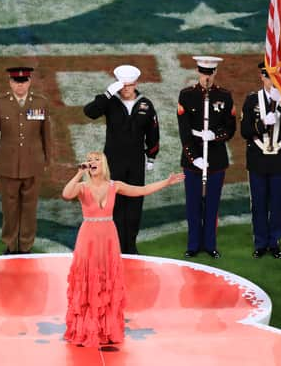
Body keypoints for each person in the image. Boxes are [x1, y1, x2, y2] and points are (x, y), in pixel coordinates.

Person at [62, 151, 184, 347]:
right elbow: (66, 194)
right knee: (89, 278)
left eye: (97, 159)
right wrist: (78, 174)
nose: (92, 162)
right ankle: (86, 329)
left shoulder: (114, 186)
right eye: (90, 160)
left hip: (109, 237)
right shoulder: (82, 187)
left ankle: (106, 328)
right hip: (88, 238)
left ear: (104, 164)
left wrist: (166, 183)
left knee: (107, 279)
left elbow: (141, 190)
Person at [83, 65, 159, 254]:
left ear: (136, 84)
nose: (126, 89)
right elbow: (90, 112)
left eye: (130, 85)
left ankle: (130, 246)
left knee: (134, 203)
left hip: (135, 161)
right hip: (112, 161)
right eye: (123, 86)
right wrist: (107, 93)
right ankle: (113, 245)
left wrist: (151, 156)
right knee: (113, 203)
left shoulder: (146, 104)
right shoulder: (109, 102)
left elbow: (153, 132)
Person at [0, 66, 52, 254]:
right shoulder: (0, 103)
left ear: (29, 82)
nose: (20, 85)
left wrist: (47, 160)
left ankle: (25, 245)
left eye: (23, 81)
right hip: (8, 164)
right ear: (10, 82)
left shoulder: (41, 102)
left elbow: (46, 134)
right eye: (16, 81)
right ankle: (10, 244)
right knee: (9, 207)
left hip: (34, 164)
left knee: (30, 207)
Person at [177, 56, 236, 259]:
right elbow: (184, 131)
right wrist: (194, 158)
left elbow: (230, 128)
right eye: (203, 72)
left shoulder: (225, 96)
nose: (206, 77)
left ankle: (210, 244)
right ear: (198, 72)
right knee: (193, 204)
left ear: (215, 73)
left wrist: (215, 135)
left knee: (212, 204)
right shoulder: (186, 95)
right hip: (193, 160)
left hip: (216, 158)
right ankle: (193, 245)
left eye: (210, 73)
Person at [240, 62, 281, 259]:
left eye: (274, 77)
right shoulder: (251, 100)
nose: (270, 81)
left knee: (278, 202)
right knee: (258, 202)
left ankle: (275, 241)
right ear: (261, 77)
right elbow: (245, 131)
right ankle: (260, 242)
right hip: (258, 158)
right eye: (267, 77)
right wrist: (261, 123)